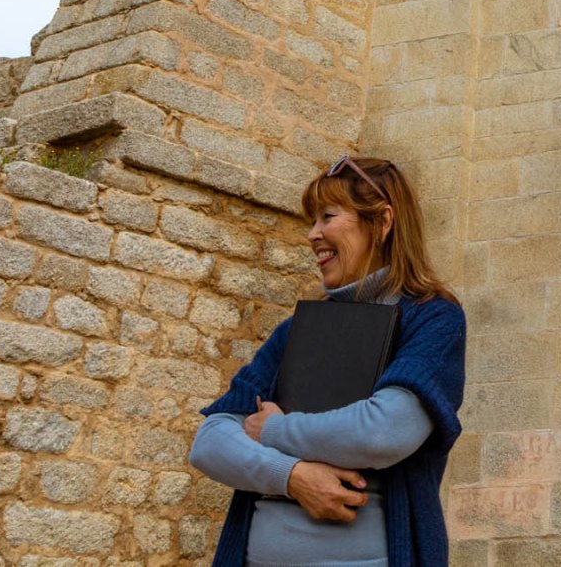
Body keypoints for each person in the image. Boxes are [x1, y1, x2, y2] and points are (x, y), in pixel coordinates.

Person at [190, 156, 464, 567]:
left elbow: (385, 431)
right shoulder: (294, 330)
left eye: (327, 217)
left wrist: (272, 430)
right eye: (312, 220)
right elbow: (210, 442)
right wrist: (292, 477)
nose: (312, 234)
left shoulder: (433, 319)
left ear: (382, 221)